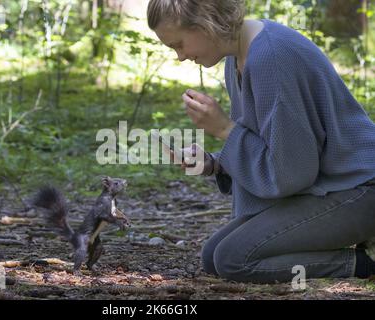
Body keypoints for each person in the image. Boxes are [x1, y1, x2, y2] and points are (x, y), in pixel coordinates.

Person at [147, 0, 375, 284]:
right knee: (214, 255)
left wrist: (224, 129)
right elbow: (271, 144)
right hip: (327, 187)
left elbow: (292, 173)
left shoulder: (270, 56)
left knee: (233, 258)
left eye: (179, 44)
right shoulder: (238, 56)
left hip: (358, 190)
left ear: (205, 23)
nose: (180, 56)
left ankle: (364, 262)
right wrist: (215, 163)